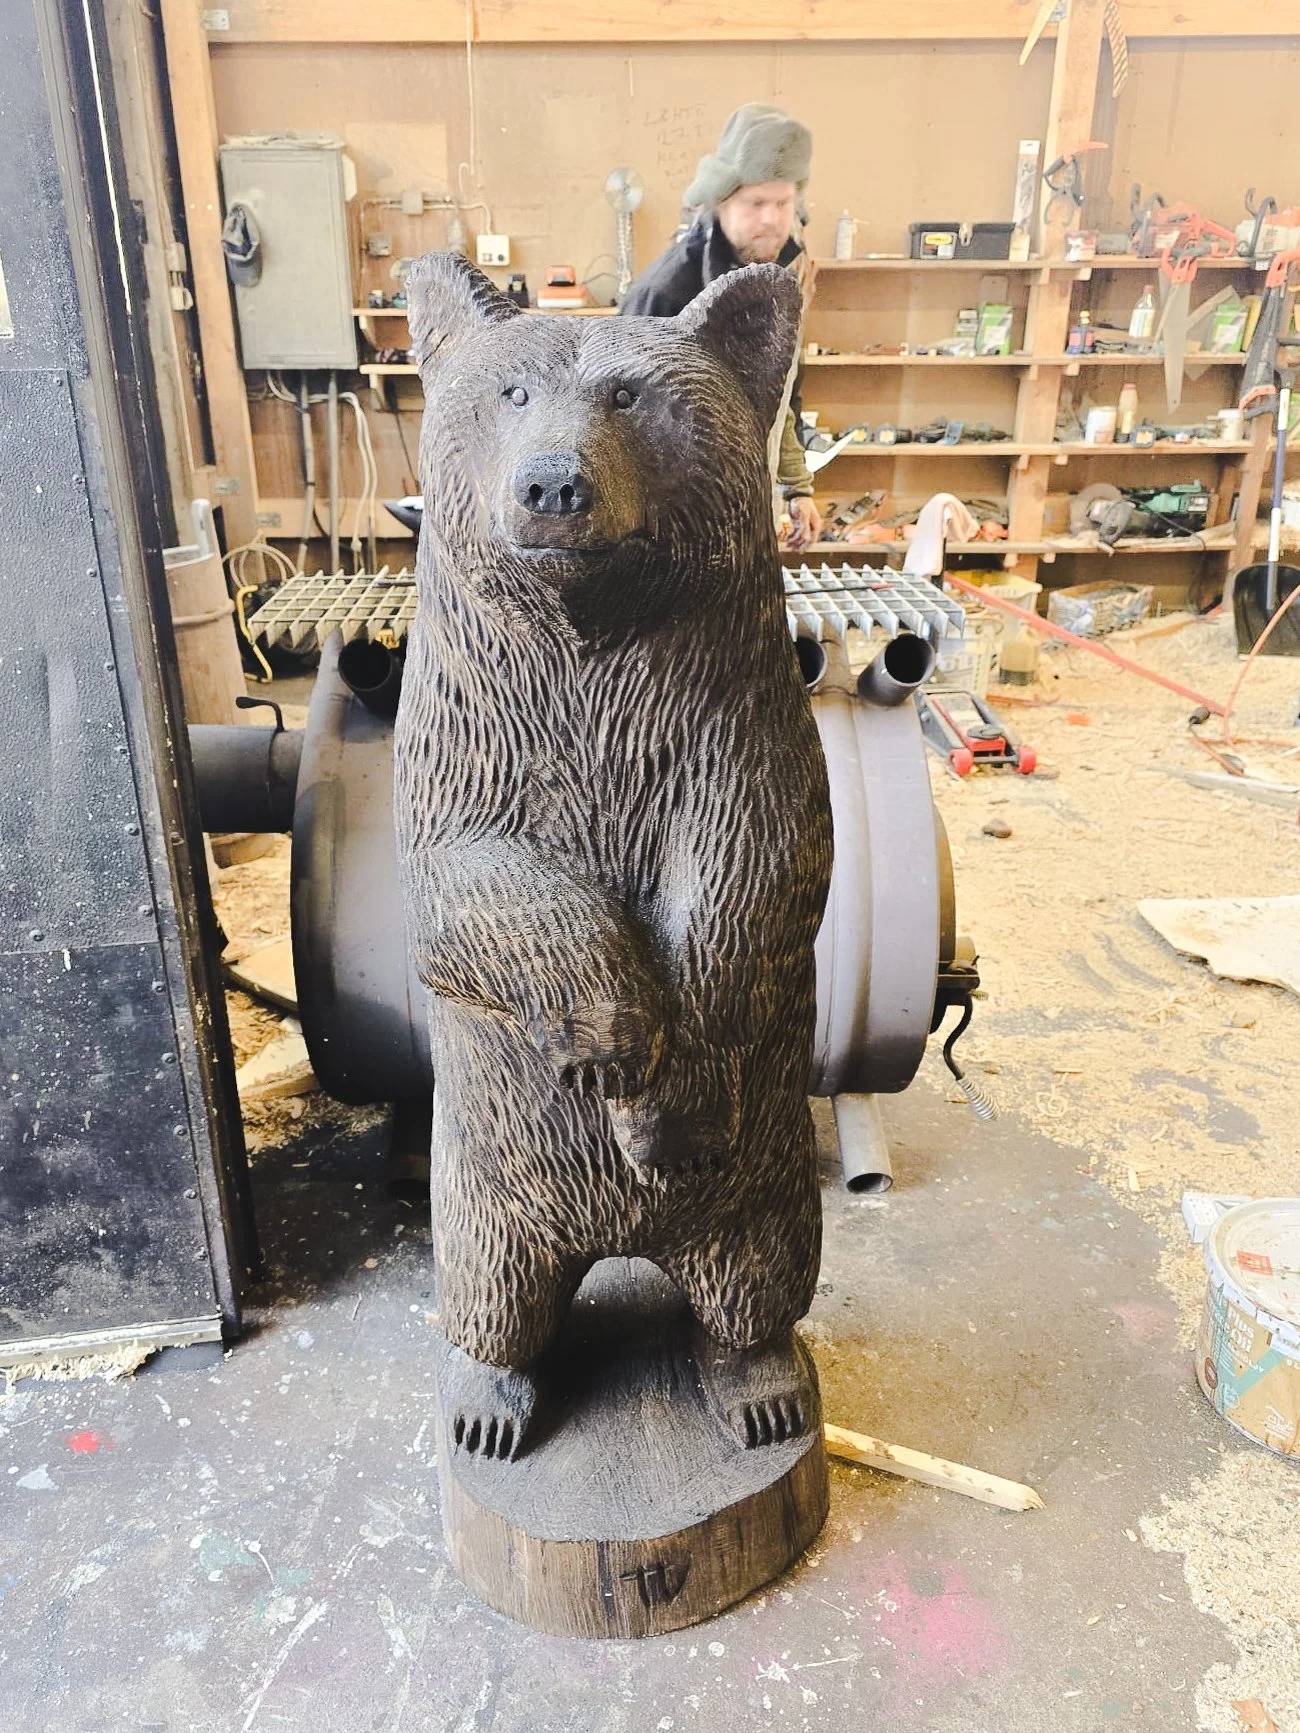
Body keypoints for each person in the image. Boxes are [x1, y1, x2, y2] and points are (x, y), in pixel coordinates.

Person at [621, 103, 822, 552]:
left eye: (783, 203)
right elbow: (620, 422)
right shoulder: (663, 293)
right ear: (722, 202)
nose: (771, 219)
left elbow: (781, 397)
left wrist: (796, 486)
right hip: (669, 524)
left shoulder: (778, 282)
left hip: (744, 511)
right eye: (755, 203)